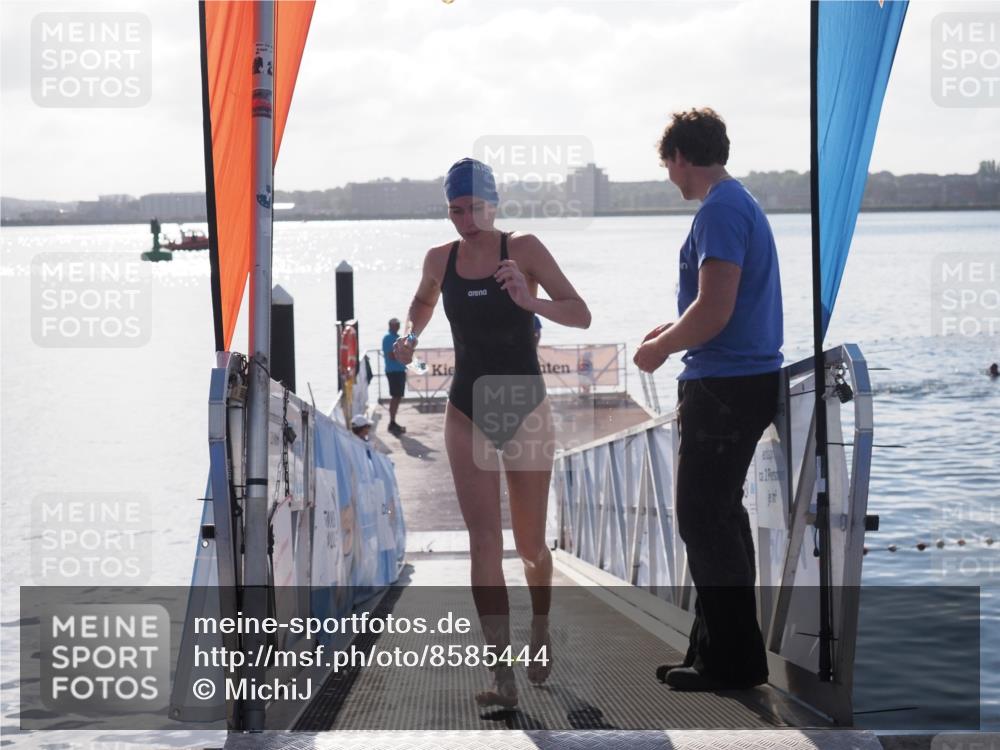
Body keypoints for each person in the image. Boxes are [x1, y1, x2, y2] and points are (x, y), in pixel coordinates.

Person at [393, 157, 591, 707]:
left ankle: (542, 627)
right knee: (484, 542)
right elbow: (424, 298)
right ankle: (501, 675)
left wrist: (531, 301)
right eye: (455, 210)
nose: (465, 220)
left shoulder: (523, 249)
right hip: (468, 407)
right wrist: (410, 334)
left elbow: (581, 314)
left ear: (494, 204)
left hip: (523, 404)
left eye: (475, 208)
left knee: (528, 544)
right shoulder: (440, 257)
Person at [634, 108, 783, 692]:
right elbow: (717, 306)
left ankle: (734, 663)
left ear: (679, 158)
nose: (670, 177)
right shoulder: (737, 203)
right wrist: (671, 332)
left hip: (724, 385)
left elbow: (715, 310)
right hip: (740, 379)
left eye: (668, 165)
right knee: (720, 517)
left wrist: (660, 350)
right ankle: (716, 652)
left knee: (702, 518)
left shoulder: (720, 209)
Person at [382, 318, 407, 435]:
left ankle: (393, 421)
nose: (398, 326)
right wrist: (403, 354)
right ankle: (391, 422)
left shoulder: (398, 337)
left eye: (398, 324)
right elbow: (391, 355)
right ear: (390, 325)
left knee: (398, 396)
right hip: (393, 371)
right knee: (394, 396)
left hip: (400, 370)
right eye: (396, 325)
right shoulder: (388, 338)